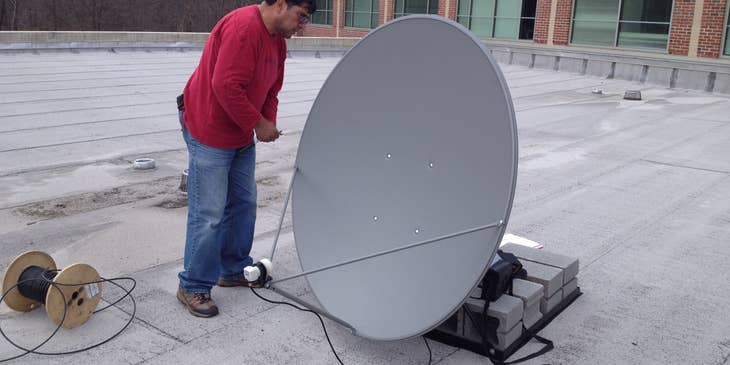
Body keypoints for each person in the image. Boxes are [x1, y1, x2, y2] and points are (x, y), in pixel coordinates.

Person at [176, 0, 317, 318]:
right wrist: (258, 123)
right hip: (209, 130)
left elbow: (272, 89)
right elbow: (225, 86)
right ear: (281, 4)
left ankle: (232, 268)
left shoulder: (277, 41)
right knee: (209, 213)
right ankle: (193, 285)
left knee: (242, 203)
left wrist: (266, 120)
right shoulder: (244, 28)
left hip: (239, 134)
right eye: (301, 17)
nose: (302, 26)